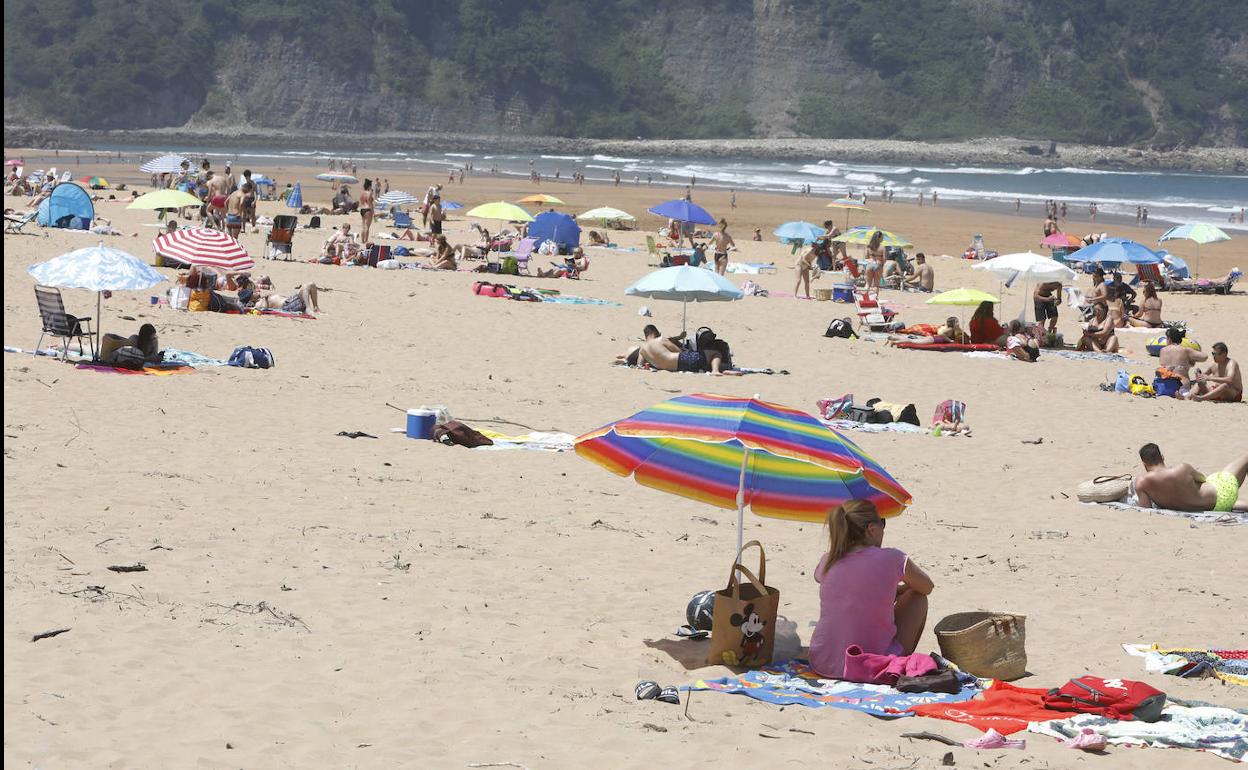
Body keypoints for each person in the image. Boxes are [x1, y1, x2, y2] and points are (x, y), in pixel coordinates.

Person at [808, 500, 933, 679]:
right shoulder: (893, 558)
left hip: (823, 662)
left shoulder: (828, 559)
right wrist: (903, 588)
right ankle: (898, 660)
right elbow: (927, 586)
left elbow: (827, 580)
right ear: (872, 529)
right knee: (917, 597)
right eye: (883, 523)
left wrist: (890, 590)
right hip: (872, 664)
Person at [1134, 444, 1248, 513]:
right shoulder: (1182, 469)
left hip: (1213, 508)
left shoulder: (1141, 483)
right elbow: (1203, 478)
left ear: (1144, 464)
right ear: (1162, 457)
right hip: (1221, 494)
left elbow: (1145, 509)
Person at [637, 334, 729, 375]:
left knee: (702, 362)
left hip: (674, 368)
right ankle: (715, 371)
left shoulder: (642, 349)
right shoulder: (660, 339)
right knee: (715, 353)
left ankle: (722, 369)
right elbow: (678, 351)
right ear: (655, 334)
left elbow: (639, 365)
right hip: (680, 360)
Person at [1157, 326, 1207, 391]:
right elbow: (1204, 357)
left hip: (1165, 385)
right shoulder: (1185, 350)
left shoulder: (1162, 350)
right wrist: (1192, 359)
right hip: (1182, 385)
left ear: (1169, 339)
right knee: (1202, 381)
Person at [359, 179, 375, 244]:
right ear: (369, 186)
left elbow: (361, 201)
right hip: (368, 209)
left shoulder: (362, 192)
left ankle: (362, 240)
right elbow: (369, 202)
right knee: (367, 226)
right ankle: (366, 240)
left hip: (362, 209)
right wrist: (372, 211)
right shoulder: (369, 192)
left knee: (363, 226)